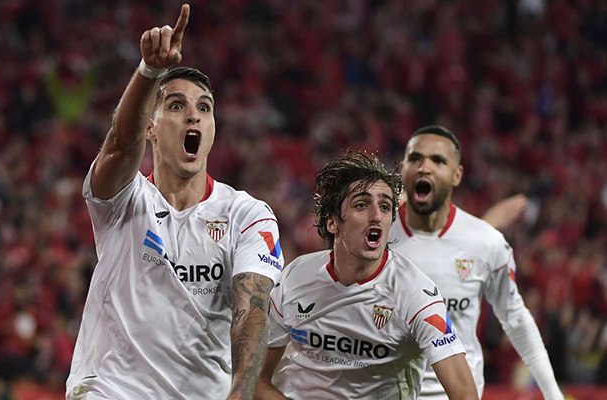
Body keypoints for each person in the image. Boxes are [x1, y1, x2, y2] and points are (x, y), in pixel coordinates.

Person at [66, 4, 283, 399]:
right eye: (177, 106)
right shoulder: (123, 199)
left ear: (213, 128)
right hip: (112, 389)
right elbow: (121, 144)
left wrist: (240, 394)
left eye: (204, 108)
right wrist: (149, 72)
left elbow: (251, 313)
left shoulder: (248, 215)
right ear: (150, 127)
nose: (193, 117)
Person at [254, 150, 478, 399]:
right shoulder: (295, 277)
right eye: (362, 205)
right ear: (332, 222)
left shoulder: (415, 293)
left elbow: (465, 394)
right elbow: (254, 378)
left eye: (385, 206)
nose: (377, 216)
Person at [392, 125, 564, 400]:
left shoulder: (486, 242)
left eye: (438, 160)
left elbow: (516, 319)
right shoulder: (375, 237)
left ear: (457, 175)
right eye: (415, 158)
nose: (425, 168)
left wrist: (553, 394)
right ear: (402, 170)